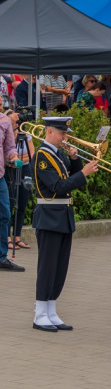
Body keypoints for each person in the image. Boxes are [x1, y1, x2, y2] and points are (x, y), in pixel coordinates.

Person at [30, 116, 101, 330]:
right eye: (62, 133)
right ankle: (40, 312)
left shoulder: (58, 154)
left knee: (60, 268)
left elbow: (72, 180)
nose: (65, 137)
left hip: (62, 215)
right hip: (49, 215)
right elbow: (58, 186)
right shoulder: (42, 156)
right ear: (49, 132)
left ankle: (51, 309)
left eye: (65, 133)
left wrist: (76, 160)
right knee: (48, 267)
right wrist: (83, 172)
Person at [0, 110, 26, 270]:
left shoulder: (4, 120)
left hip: (0, 177)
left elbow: (9, 147)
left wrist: (14, 157)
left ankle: (1, 257)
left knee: (4, 215)